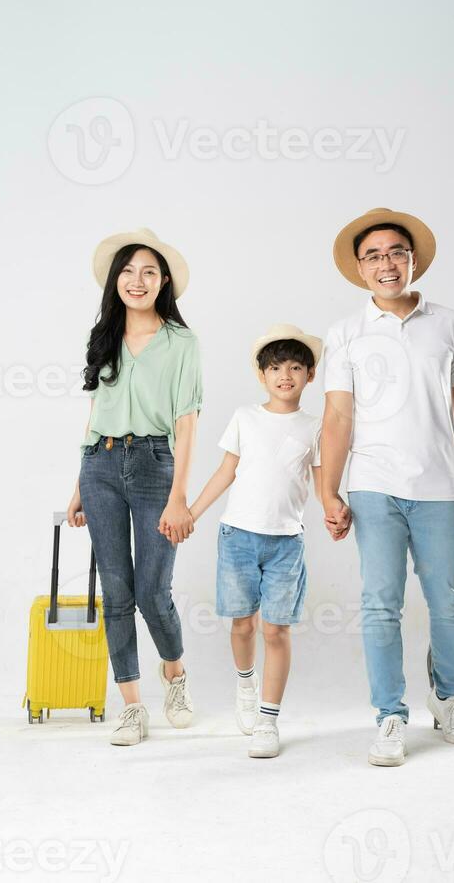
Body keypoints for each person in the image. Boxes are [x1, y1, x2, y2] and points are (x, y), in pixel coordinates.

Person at [320, 207, 454, 767]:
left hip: (438, 487)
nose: (386, 263)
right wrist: (329, 491)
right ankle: (389, 716)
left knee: (447, 601)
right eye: (373, 255)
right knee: (381, 603)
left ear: (413, 260)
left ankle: (449, 698)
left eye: (395, 253)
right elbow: (336, 419)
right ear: (359, 268)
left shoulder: (450, 324)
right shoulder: (345, 333)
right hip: (373, 484)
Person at [67, 228, 203, 747]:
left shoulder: (181, 342)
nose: (137, 280)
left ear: (163, 281)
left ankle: (174, 670)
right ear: (114, 281)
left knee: (152, 589)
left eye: (148, 271)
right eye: (127, 271)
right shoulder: (101, 337)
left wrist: (179, 495)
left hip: (154, 465)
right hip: (99, 466)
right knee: (116, 591)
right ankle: (131, 706)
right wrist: (78, 480)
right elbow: (94, 413)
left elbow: (187, 422)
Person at [178, 325, 322, 758]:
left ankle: (268, 718)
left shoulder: (316, 427)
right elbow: (226, 471)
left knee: (276, 630)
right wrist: (192, 512)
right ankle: (246, 683)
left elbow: (322, 480)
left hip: (286, 542)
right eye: (276, 367)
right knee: (242, 624)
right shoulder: (245, 417)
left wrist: (336, 510)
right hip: (238, 536)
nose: (285, 375)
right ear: (262, 375)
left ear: (309, 375)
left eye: (295, 367)